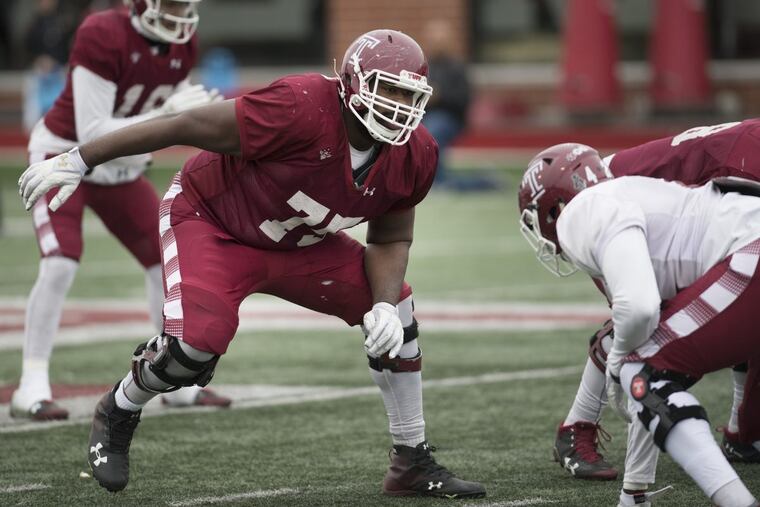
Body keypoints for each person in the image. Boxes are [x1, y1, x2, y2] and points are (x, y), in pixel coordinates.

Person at [18, 29, 487, 498]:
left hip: (299, 243)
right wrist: (82, 159)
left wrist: (382, 305)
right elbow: (186, 125)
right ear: (353, 83)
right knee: (192, 351)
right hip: (213, 222)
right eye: (388, 90)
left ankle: (411, 460)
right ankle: (119, 408)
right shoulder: (299, 106)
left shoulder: (417, 152)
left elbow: (392, 236)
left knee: (398, 313)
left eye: (408, 95)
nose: (398, 107)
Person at [11, 0, 232, 421]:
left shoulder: (183, 43)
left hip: (120, 167)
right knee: (59, 263)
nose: (180, 15)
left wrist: (170, 120)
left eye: (185, 6)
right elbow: (92, 131)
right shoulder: (102, 32)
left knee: (167, 261)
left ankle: (173, 381)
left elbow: (153, 125)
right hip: (63, 157)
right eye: (171, 5)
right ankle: (31, 384)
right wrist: (165, 116)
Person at [517, 142, 760, 506]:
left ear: (555, 206)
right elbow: (645, 343)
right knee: (648, 369)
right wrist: (635, 490)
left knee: (644, 372)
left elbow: (638, 311)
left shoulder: (585, 209)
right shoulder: (638, 194)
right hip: (744, 243)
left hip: (751, 250)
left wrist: (618, 363)